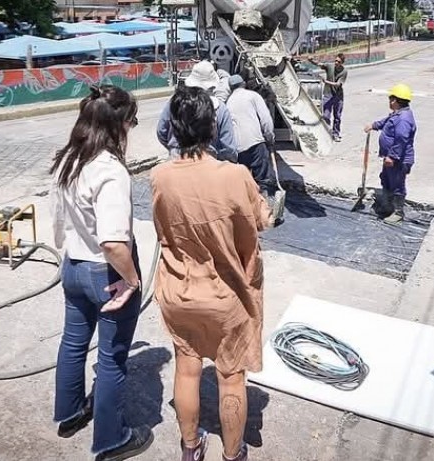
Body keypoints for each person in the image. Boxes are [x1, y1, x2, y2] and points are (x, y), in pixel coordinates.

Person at [150, 86, 271, 461]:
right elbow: (262, 220)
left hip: (177, 292)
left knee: (187, 370)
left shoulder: (160, 176)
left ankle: (190, 447)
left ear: (173, 127)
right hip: (225, 297)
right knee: (231, 378)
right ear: (212, 127)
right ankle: (232, 454)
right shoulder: (234, 175)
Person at [50, 85, 152, 461]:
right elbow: (112, 242)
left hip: (73, 267)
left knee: (73, 343)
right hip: (105, 272)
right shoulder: (109, 170)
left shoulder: (70, 160)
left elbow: (58, 219)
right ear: (118, 124)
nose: (132, 128)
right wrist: (131, 279)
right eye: (132, 121)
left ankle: (70, 411)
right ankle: (112, 439)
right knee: (112, 358)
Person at [158, 60, 239, 162]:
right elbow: (229, 148)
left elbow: (161, 131)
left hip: (176, 159)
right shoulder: (220, 108)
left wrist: (174, 149)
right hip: (209, 164)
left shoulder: (174, 102)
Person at [363, 84, 417, 225]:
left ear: (394, 100)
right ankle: (387, 207)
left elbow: (401, 140)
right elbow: (385, 122)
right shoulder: (397, 114)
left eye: (390, 99)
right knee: (386, 180)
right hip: (392, 158)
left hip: (399, 160)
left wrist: (392, 156)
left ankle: (398, 212)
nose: (389, 101)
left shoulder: (404, 118)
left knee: (397, 185)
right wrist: (373, 125)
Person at [226, 74, 277, 199]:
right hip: (255, 144)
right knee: (263, 181)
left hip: (238, 149)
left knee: (245, 182)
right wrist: (270, 137)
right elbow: (266, 120)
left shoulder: (229, 102)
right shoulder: (253, 96)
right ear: (243, 84)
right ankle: (265, 210)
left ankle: (249, 211)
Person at [309, 53, 347, 142]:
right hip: (327, 94)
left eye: (339, 61)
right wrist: (311, 60)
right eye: (336, 60)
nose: (336, 62)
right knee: (326, 116)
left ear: (342, 63)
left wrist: (325, 81)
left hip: (338, 96)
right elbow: (320, 64)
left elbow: (338, 84)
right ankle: (326, 133)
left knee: (337, 116)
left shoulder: (344, 72)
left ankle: (336, 134)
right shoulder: (330, 66)